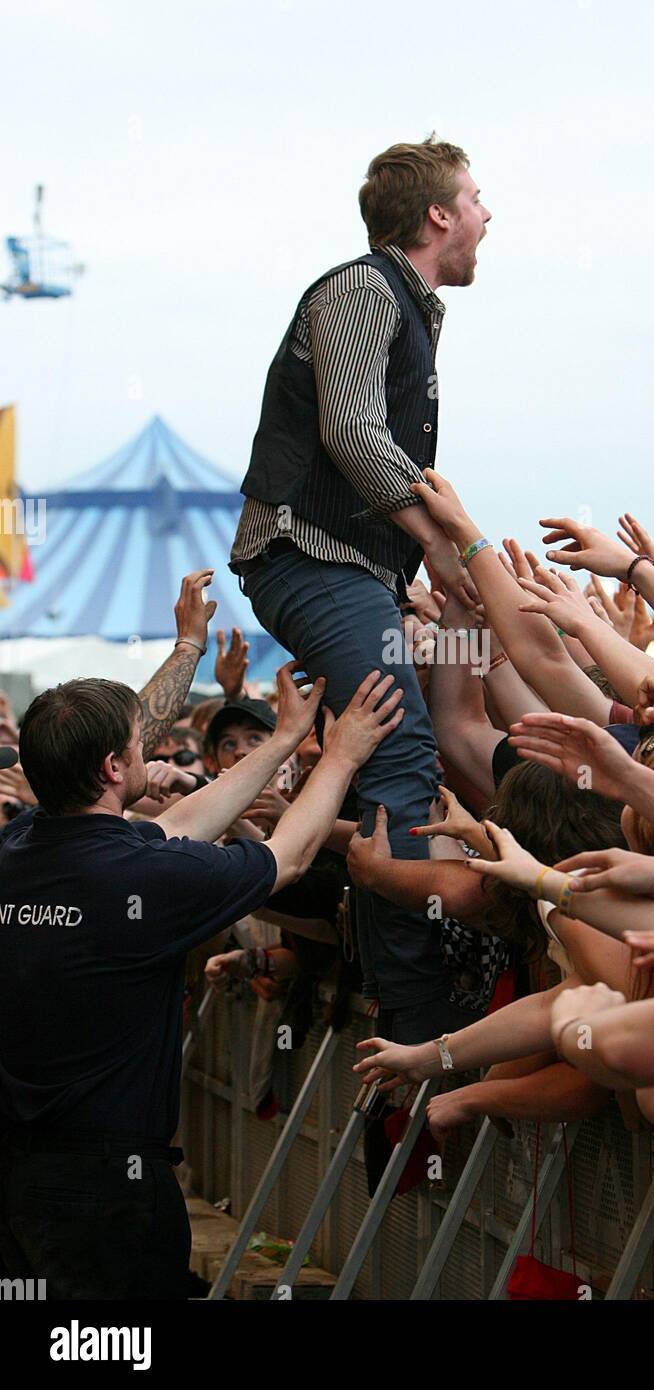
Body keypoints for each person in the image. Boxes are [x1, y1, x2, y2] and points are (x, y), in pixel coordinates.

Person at [0, 664, 401, 1298]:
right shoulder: (140, 876)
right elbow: (289, 856)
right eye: (137, 743)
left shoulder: (19, 844)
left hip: (19, 1174)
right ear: (112, 768)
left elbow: (183, 824)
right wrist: (342, 756)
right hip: (107, 1186)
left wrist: (278, 742)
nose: (145, 751)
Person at [230, 136, 493, 1044]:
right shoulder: (358, 288)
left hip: (347, 562)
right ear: (438, 215)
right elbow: (349, 429)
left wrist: (423, 566)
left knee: (398, 745)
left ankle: (395, 995)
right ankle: (416, 1016)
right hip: (306, 553)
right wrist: (445, 541)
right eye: (477, 200)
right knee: (398, 751)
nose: (489, 218)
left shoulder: (408, 307)